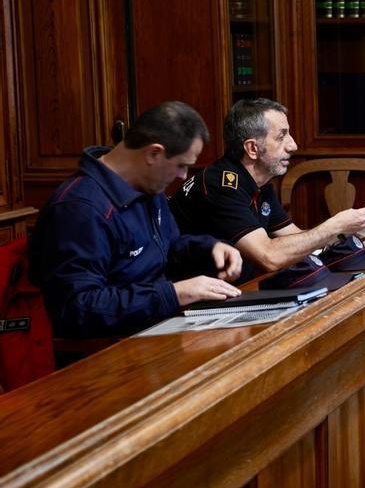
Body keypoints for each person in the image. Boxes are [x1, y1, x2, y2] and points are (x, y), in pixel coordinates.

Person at [30, 102, 243, 338]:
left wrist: (210, 248)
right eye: (181, 165)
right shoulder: (79, 208)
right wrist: (174, 294)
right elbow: (78, 308)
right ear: (154, 153)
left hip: (156, 329)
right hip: (104, 352)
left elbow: (169, 248)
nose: (183, 176)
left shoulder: (149, 187)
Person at [170, 99, 365, 281]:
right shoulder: (221, 185)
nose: (293, 145)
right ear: (252, 148)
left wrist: (343, 233)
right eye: (281, 136)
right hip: (191, 307)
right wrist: (334, 227)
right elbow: (269, 257)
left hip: (236, 291)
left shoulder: (259, 182)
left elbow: (296, 239)